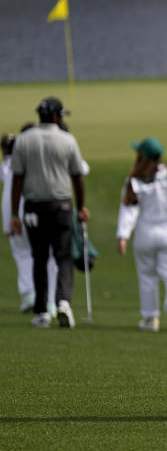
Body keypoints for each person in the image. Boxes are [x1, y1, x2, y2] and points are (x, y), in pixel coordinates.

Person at [9, 97, 89, 329]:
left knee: (39, 258)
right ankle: (63, 302)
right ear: (55, 116)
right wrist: (81, 206)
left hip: (34, 206)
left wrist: (15, 213)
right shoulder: (68, 139)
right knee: (62, 256)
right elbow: (77, 177)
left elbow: (17, 179)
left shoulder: (23, 140)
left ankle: (42, 311)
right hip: (62, 205)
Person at [116, 136, 167, 332]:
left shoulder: (134, 178)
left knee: (147, 276)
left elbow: (129, 210)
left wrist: (123, 235)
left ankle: (150, 319)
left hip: (145, 233)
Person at [2, 132, 56, 314]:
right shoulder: (40, 161)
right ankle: (49, 300)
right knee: (45, 255)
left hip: (18, 215)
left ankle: (29, 296)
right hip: (39, 213)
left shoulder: (11, 164)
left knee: (23, 253)